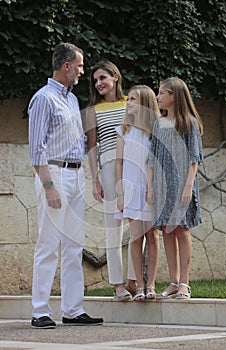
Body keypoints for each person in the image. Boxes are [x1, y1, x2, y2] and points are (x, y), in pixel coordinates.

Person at [28, 42, 103, 328]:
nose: (83, 72)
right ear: (66, 66)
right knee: (48, 243)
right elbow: (36, 149)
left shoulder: (72, 100)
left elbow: (80, 144)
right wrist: (49, 186)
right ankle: (40, 311)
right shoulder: (44, 98)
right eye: (81, 66)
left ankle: (73, 309)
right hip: (54, 174)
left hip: (76, 175)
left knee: (74, 245)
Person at [146, 77, 203, 299]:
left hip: (181, 185)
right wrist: (150, 187)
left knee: (182, 230)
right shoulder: (158, 124)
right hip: (162, 186)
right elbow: (152, 159)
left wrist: (188, 186)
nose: (158, 97)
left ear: (174, 96)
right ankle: (172, 281)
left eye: (161, 93)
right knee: (168, 231)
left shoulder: (188, 123)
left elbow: (194, 159)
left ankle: (184, 284)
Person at [86, 60, 136, 301]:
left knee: (138, 225)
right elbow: (92, 147)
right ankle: (117, 285)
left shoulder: (131, 103)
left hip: (134, 167)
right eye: (95, 80)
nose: (99, 84)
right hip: (107, 167)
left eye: (103, 78)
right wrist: (95, 179)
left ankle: (135, 281)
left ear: (115, 76)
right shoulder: (92, 111)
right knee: (113, 227)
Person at [115, 85, 160, 301]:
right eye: (128, 98)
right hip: (131, 188)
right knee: (135, 236)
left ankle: (151, 284)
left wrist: (154, 188)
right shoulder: (123, 130)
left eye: (133, 99)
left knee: (152, 235)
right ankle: (139, 286)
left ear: (145, 104)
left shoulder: (156, 131)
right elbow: (119, 163)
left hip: (150, 190)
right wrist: (121, 192)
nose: (128, 102)